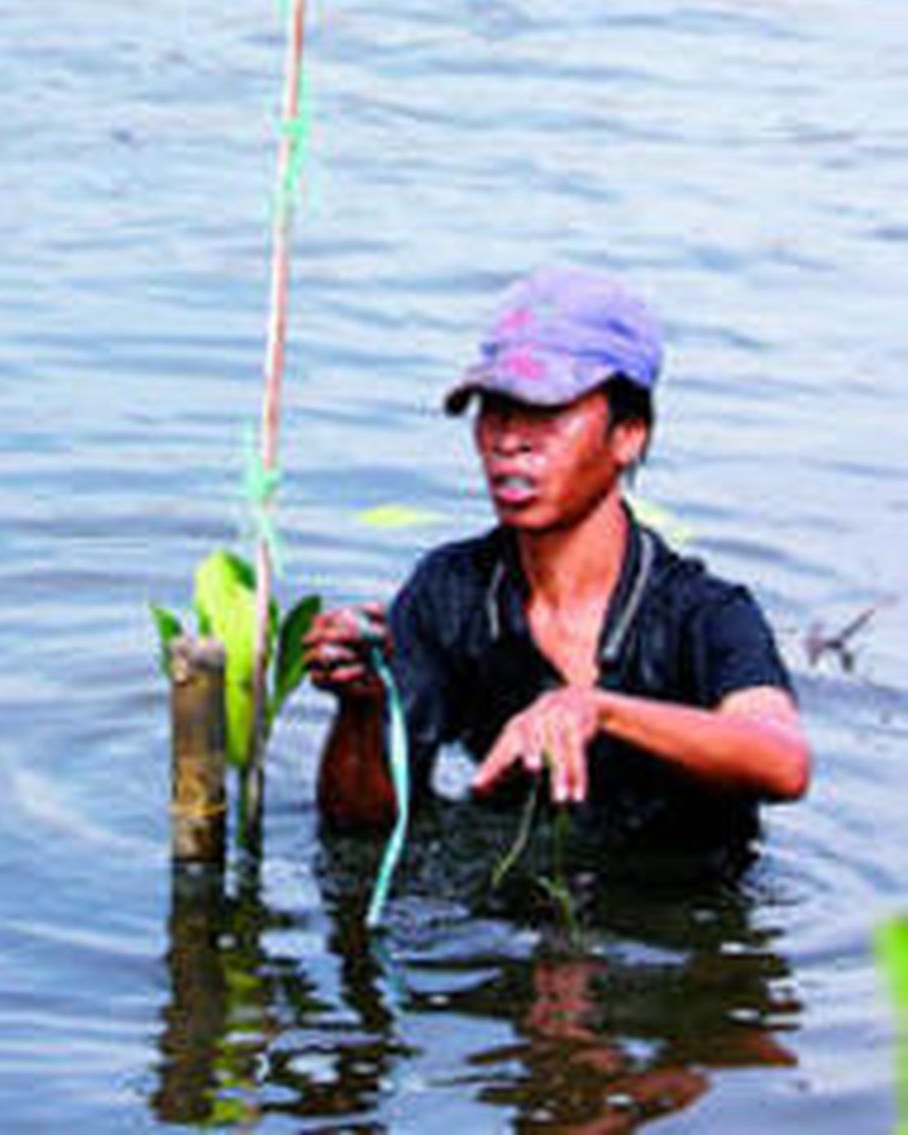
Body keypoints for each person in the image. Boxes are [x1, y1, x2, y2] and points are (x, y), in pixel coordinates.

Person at [306, 267, 811, 851]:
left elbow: (783, 761)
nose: (509, 441)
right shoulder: (450, 593)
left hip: (676, 911)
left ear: (629, 435)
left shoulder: (702, 613)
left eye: (545, 414)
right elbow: (360, 823)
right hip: (512, 910)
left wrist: (599, 710)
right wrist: (362, 708)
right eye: (494, 410)